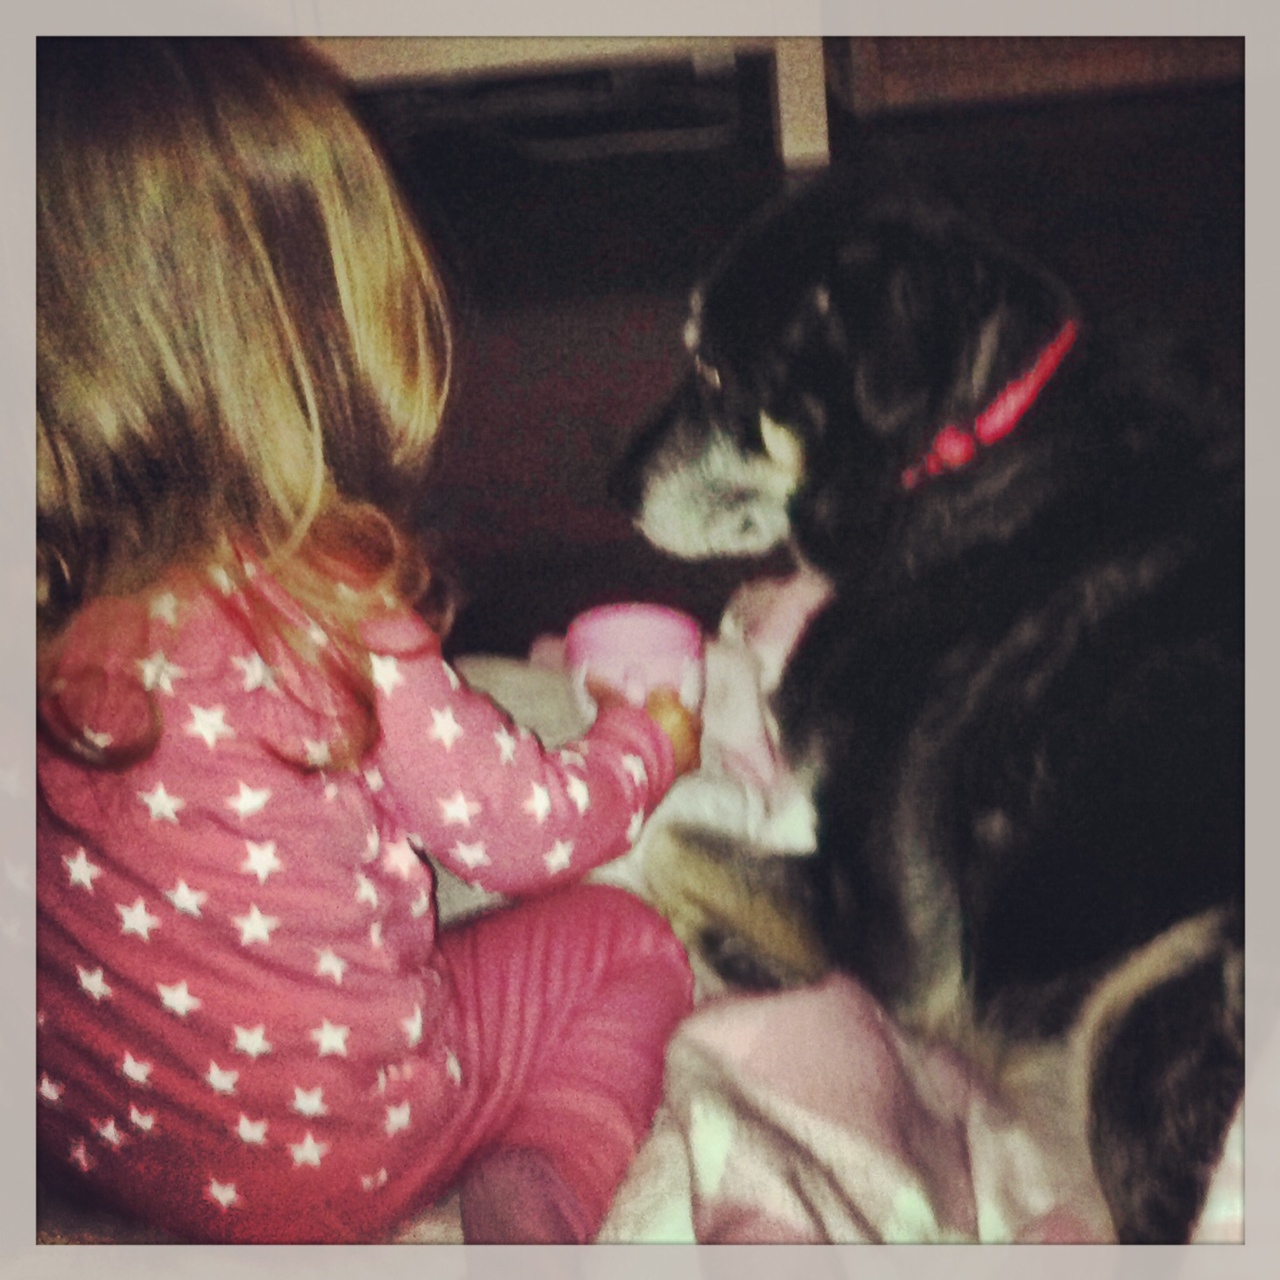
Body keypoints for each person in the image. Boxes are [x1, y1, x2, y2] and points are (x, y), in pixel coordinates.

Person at [36, 37, 699, 1244]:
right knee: (628, 944)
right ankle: (542, 1177)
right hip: (338, 1160)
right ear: (314, 335)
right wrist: (641, 745)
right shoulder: (324, 610)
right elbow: (523, 833)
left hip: (99, 1143)